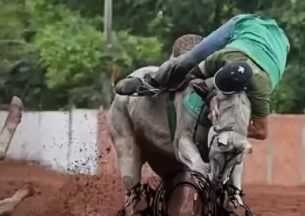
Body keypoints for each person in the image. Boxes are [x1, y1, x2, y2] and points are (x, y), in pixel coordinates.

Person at [114, 13, 290, 141]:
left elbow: (261, 132)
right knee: (188, 60)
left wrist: (224, 128)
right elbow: (193, 71)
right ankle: (151, 81)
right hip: (246, 24)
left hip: (280, 45)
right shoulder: (221, 57)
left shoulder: (261, 90)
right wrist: (190, 82)